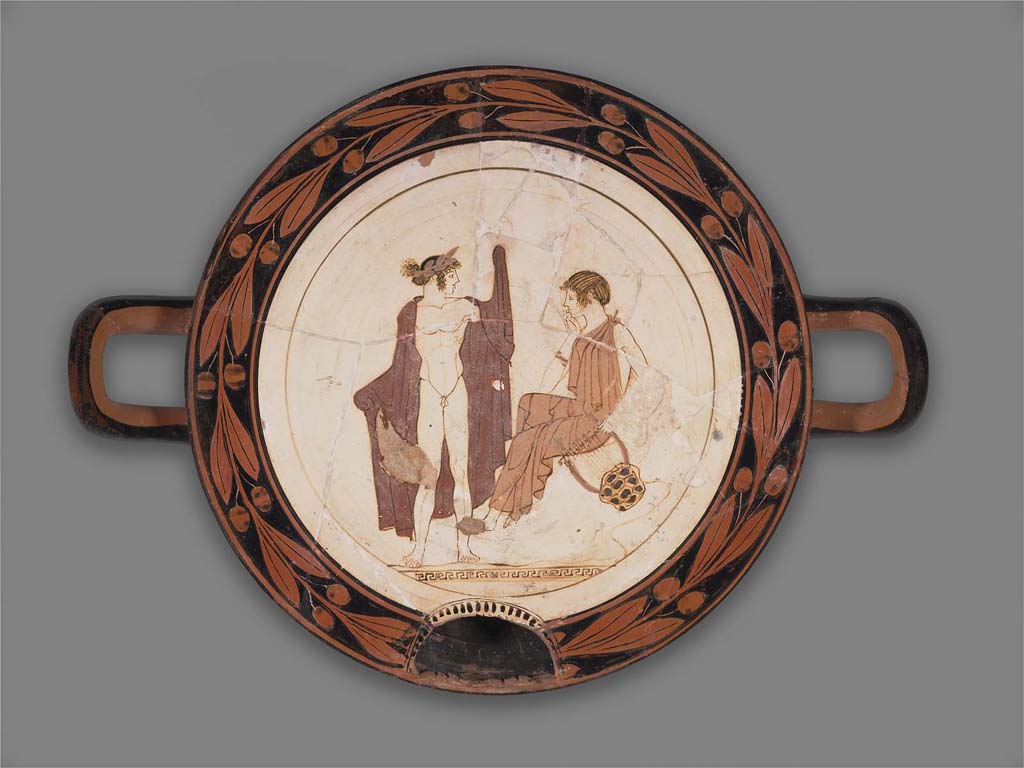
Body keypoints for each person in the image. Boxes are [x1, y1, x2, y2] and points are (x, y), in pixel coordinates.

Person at [353, 245, 514, 566]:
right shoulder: (411, 313)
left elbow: (493, 334)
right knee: (429, 476)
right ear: (436, 279)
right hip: (428, 394)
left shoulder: (465, 307)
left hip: (457, 392)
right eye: (451, 277)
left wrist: (499, 266)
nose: (456, 282)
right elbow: (401, 363)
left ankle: (464, 548)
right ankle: (419, 550)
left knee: (461, 470)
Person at [484, 270, 646, 525]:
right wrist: (578, 336)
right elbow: (576, 386)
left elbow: (645, 374)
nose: (566, 305)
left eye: (571, 298)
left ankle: (502, 509)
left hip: (599, 421)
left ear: (589, 297)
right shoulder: (582, 337)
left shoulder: (618, 332)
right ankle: (521, 491)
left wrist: (618, 415)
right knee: (529, 404)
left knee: (527, 441)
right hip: (583, 409)